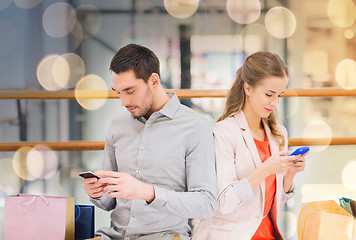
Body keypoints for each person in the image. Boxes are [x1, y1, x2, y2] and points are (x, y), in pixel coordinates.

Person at [82, 44, 217, 240]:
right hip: (114, 236)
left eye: (129, 91)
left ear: (154, 80)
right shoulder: (117, 126)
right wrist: (96, 192)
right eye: (118, 92)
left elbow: (206, 204)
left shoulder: (195, 126)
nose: (123, 102)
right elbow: (108, 202)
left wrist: (147, 192)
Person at [192, 51, 307, 240]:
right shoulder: (224, 132)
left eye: (279, 95)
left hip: (268, 234)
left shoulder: (278, 134)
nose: (275, 102)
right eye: (269, 94)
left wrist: (290, 173)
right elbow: (224, 203)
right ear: (248, 88)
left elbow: (269, 203)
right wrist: (265, 169)